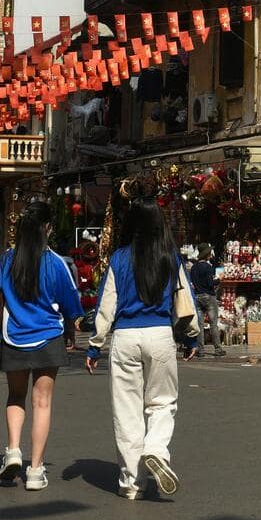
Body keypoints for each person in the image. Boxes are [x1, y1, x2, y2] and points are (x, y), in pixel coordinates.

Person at [87, 202, 199, 500]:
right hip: (160, 335)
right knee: (162, 402)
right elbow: (186, 302)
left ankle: (131, 482)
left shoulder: (119, 258)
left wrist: (95, 346)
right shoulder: (170, 256)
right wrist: (191, 338)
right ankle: (156, 450)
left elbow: (106, 305)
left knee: (127, 411)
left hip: (125, 337)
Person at [0, 201, 83, 493]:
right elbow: (71, 303)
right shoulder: (56, 263)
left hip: (14, 337)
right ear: (48, 228)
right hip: (49, 338)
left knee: (15, 396)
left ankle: (13, 450)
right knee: (42, 403)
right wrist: (71, 331)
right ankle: (35, 470)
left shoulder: (6, 261)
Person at [189, 245, 225, 356]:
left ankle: (200, 350)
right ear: (207, 255)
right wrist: (219, 279)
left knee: (199, 325)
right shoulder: (208, 267)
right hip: (208, 296)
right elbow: (210, 283)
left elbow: (193, 283)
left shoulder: (193, 268)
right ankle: (218, 349)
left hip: (197, 296)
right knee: (213, 324)